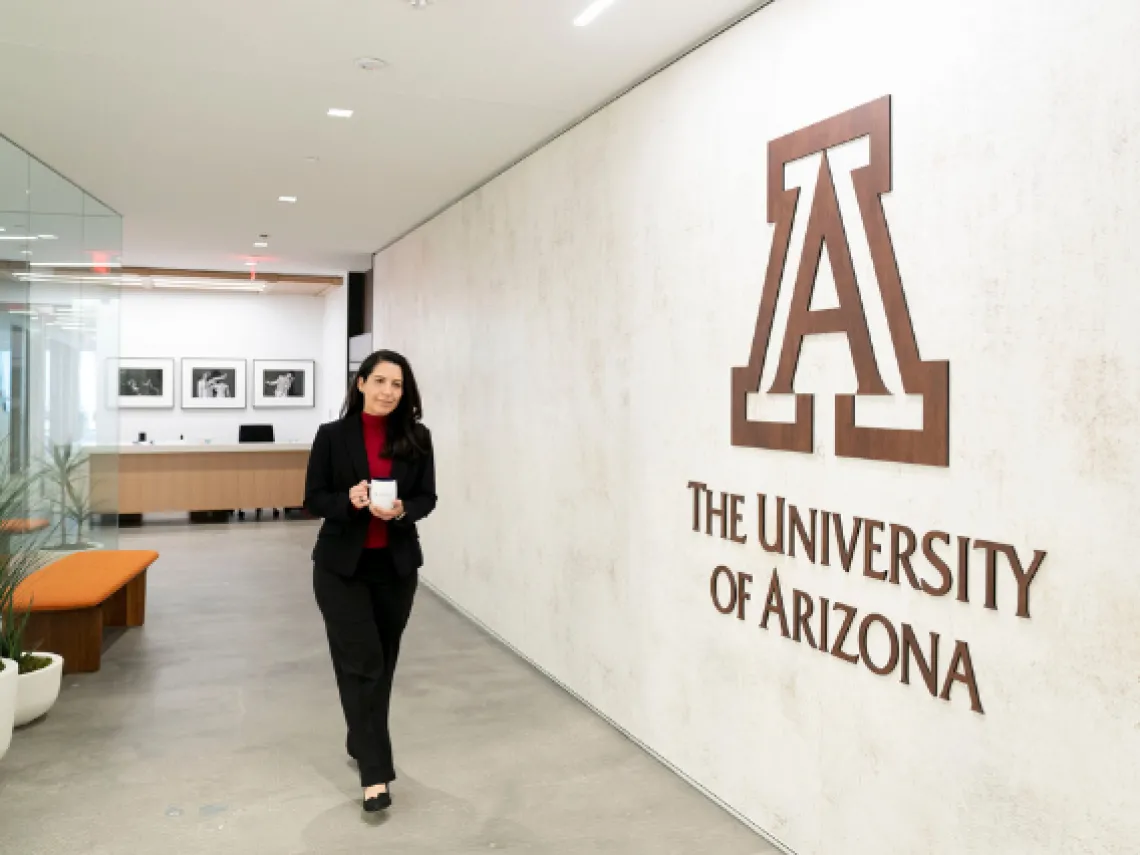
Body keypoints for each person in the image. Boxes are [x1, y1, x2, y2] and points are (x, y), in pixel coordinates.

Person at [303, 349, 436, 813]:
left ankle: (361, 737)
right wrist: (349, 499)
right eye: (379, 381)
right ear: (360, 384)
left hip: (395, 568)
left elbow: (426, 497)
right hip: (342, 568)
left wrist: (402, 509)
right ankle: (375, 774)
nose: (388, 392)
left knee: (381, 663)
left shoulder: (416, 437)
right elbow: (314, 498)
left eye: (397, 385)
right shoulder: (332, 436)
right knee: (363, 664)